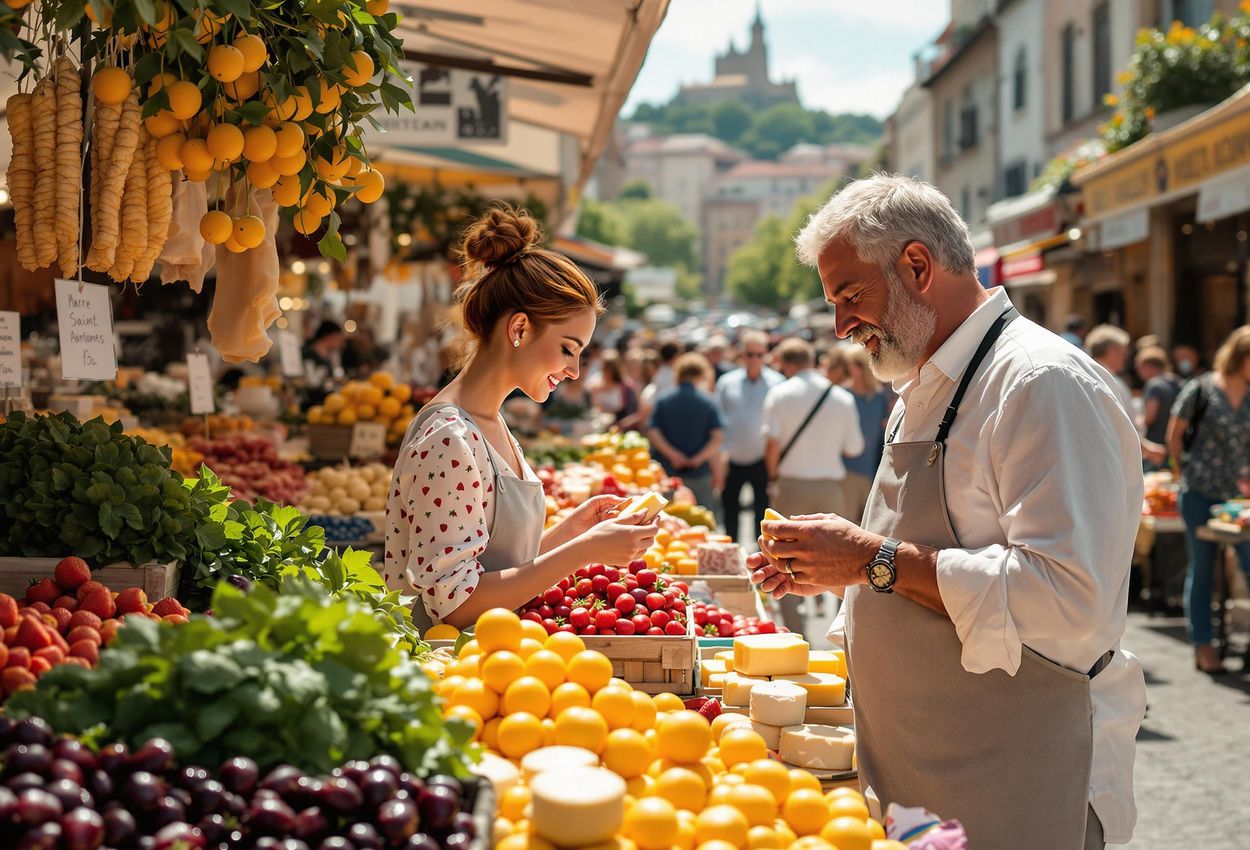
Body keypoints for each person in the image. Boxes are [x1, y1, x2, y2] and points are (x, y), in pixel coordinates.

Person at [750, 175, 1145, 850]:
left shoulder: (1042, 384)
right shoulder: (924, 386)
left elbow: (1067, 596)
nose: (842, 326)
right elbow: (908, 558)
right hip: (929, 778)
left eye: (850, 296)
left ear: (916, 266)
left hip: (1017, 781)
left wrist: (872, 561)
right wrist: (842, 570)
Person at [384, 207, 657, 630]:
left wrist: (573, 530)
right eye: (568, 348)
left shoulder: (488, 424)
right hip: (443, 677)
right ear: (520, 329)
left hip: (492, 664)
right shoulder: (449, 438)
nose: (575, 371)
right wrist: (584, 550)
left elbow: (494, 565)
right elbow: (454, 605)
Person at [762, 337, 863, 633]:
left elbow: (771, 444)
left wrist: (773, 477)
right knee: (839, 559)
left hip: (792, 484)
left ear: (786, 363)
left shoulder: (779, 393)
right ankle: (838, 625)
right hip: (831, 487)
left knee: (783, 559)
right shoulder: (842, 398)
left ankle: (796, 630)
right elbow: (854, 448)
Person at [1165, 325, 1250, 675]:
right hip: (1199, 492)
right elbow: (1174, 436)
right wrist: (1181, 472)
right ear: (1239, 357)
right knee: (1203, 570)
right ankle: (1203, 645)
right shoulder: (1198, 389)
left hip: (1239, 496)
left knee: (1248, 564)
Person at [714, 330, 783, 542]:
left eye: (759, 354)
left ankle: (763, 558)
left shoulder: (777, 383)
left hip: (762, 459)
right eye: (750, 354)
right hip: (731, 459)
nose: (754, 359)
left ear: (766, 355)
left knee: (763, 514)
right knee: (730, 512)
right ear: (741, 355)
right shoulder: (726, 382)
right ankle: (731, 554)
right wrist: (720, 457)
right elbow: (718, 422)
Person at [648, 353, 725, 514]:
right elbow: (717, 438)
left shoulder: (663, 399)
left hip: (668, 473)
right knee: (703, 519)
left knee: (667, 521)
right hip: (699, 473)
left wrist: (673, 455)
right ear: (702, 374)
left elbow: (653, 432)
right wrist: (698, 459)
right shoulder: (708, 401)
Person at [842, 344, 892, 523]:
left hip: (872, 469)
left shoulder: (879, 396)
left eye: (852, 364)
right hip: (847, 470)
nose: (849, 369)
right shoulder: (843, 394)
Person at [1136, 346, 1181, 469]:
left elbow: (1150, 416)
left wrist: (1139, 420)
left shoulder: (1154, 385)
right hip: (1174, 446)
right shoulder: (1177, 382)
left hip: (1155, 449)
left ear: (1147, 366)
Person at [589, 349, 638, 426]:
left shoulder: (627, 387)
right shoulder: (595, 383)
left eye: (608, 368)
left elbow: (633, 412)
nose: (605, 372)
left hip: (620, 428)